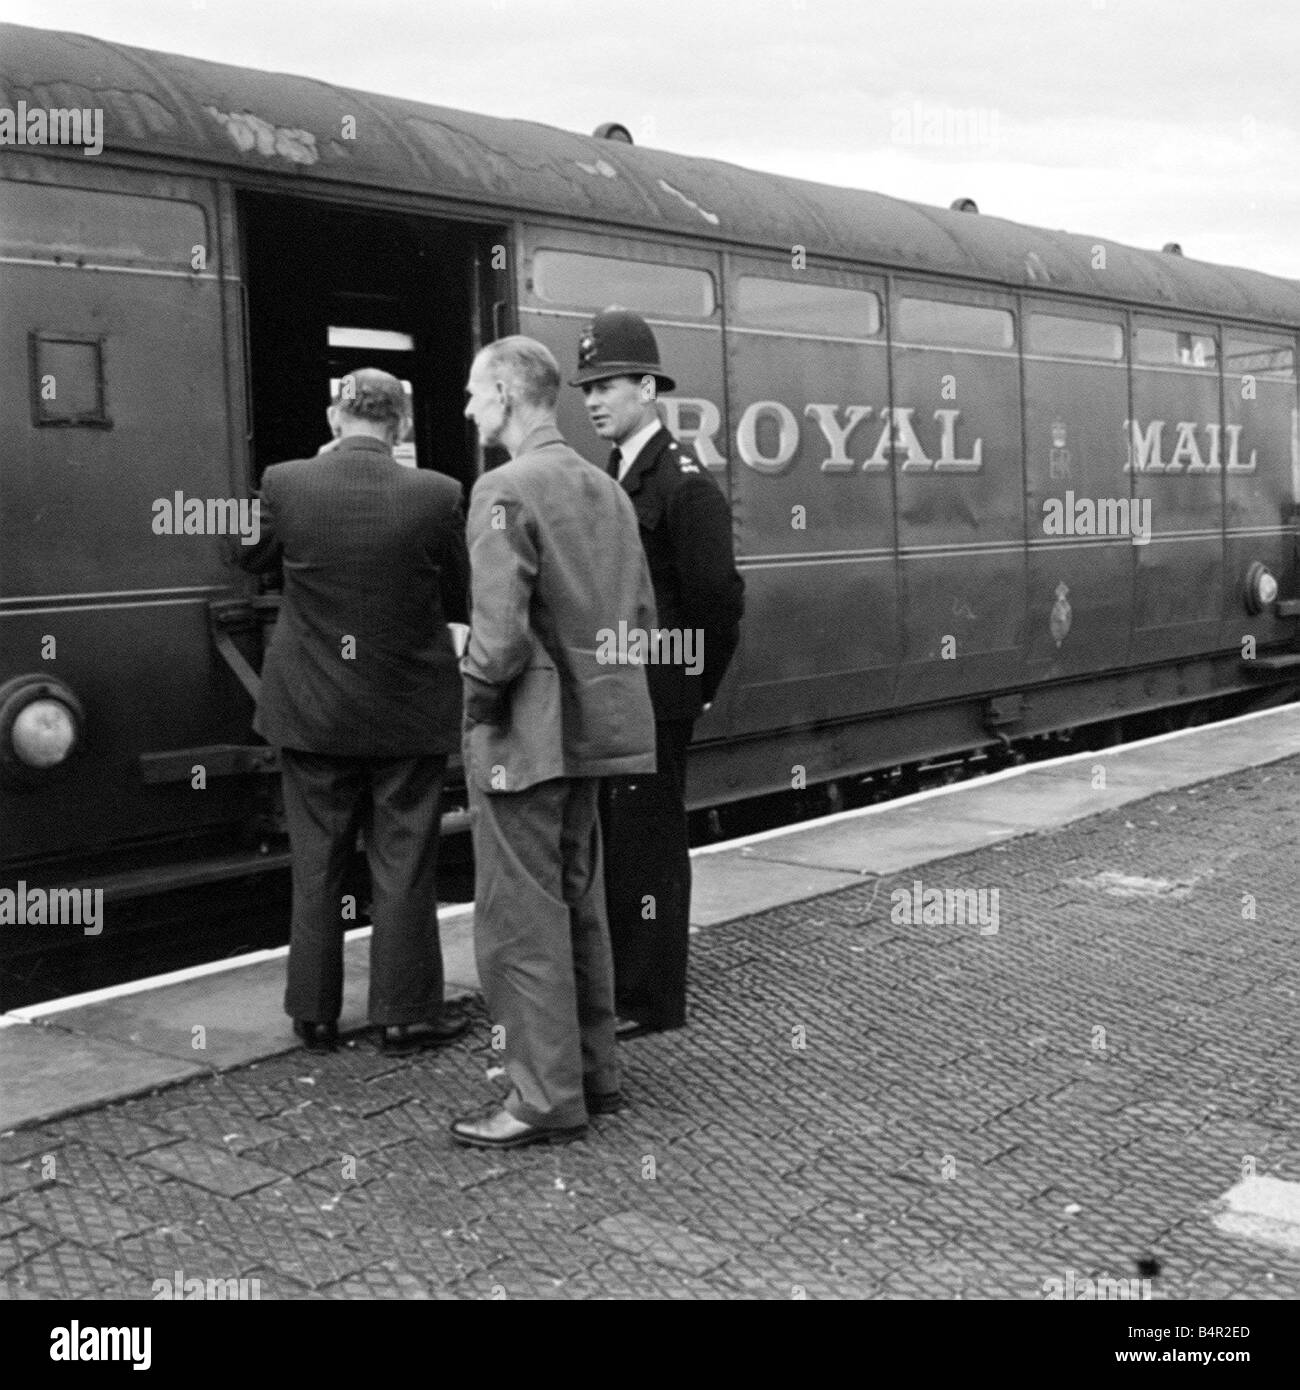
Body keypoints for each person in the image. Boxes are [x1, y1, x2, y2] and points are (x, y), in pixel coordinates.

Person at [452, 336, 656, 1149]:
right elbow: (638, 616)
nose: (468, 407)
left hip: (524, 742)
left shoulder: (502, 488)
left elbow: (498, 642)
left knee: (519, 922)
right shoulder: (605, 487)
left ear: (506, 391)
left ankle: (540, 1099)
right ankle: (594, 1075)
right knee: (581, 907)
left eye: (473, 392)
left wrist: (471, 698)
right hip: (592, 733)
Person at [238, 369, 470, 1056]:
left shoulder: (288, 482)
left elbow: (244, 555)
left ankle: (312, 1015)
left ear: (338, 418)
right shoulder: (438, 494)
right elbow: (460, 592)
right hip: (405, 711)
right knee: (403, 863)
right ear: (399, 425)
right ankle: (405, 1015)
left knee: (316, 864)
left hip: (312, 711)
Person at [572, 308, 744, 1037]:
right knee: (625, 843)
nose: (593, 400)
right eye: (586, 388)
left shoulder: (682, 482)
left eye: (607, 384)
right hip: (626, 690)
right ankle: (629, 985)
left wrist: (692, 690)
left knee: (649, 848)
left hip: (657, 696)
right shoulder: (621, 472)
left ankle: (651, 999)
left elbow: (717, 599)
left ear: (648, 387)